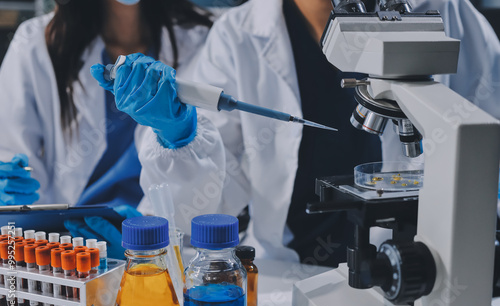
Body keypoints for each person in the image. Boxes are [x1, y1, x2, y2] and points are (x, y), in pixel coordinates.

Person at [92, 0, 500, 265]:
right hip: (291, 277)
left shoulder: (448, 14)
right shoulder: (240, 36)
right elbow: (208, 205)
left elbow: (489, 131)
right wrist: (180, 135)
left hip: (431, 269)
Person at [0, 0, 211, 257]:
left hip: (167, 243)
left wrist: (179, 131)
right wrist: (12, 187)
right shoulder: (37, 44)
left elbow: (214, 171)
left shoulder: (204, 39)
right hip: (73, 245)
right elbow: (13, 153)